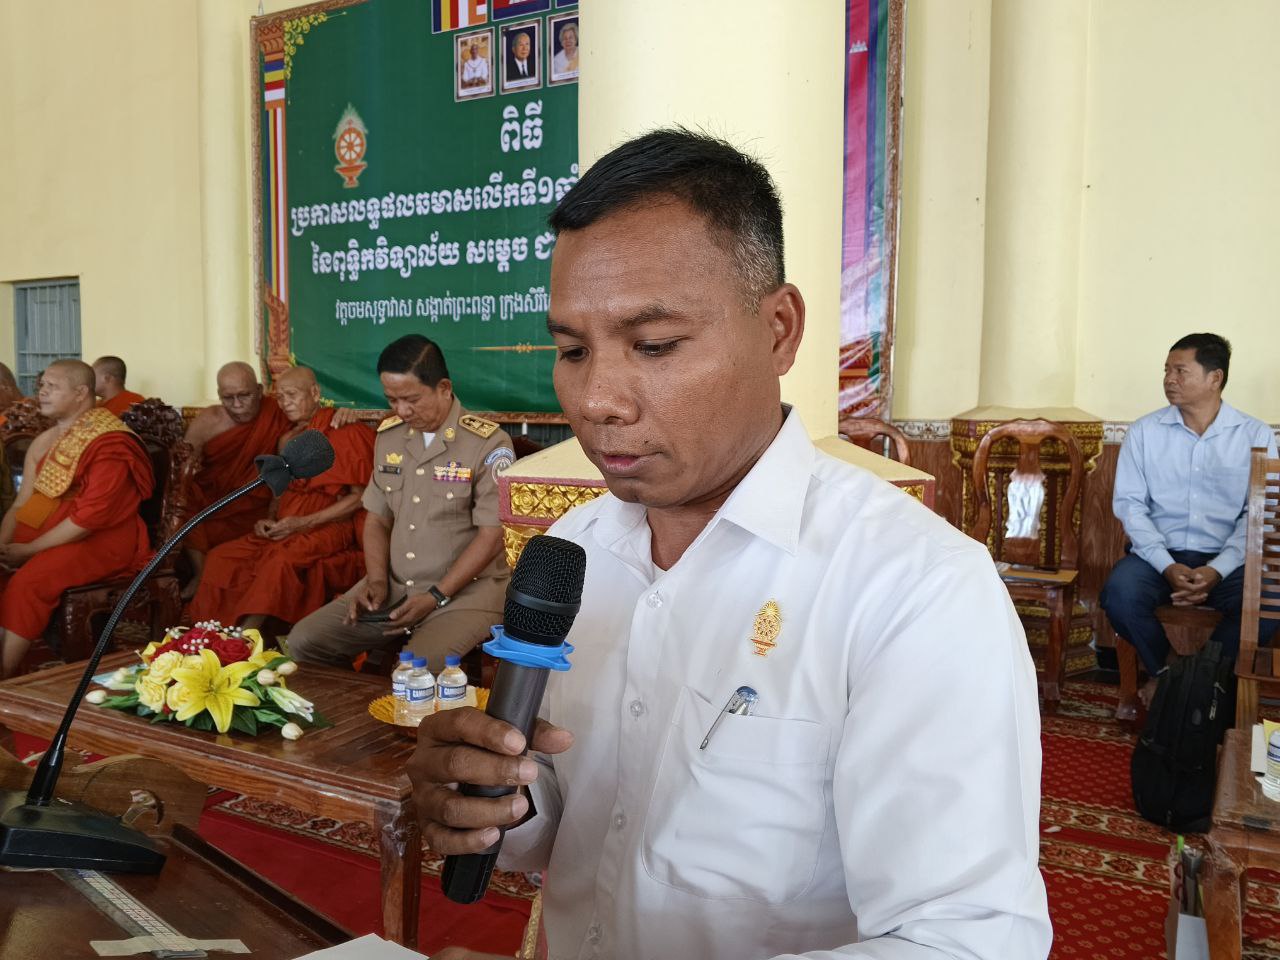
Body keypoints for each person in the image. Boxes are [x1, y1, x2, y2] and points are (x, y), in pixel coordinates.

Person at [408, 130, 1051, 960]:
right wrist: (501, 798)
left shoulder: (914, 589)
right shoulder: (574, 553)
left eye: (654, 345)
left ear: (779, 330)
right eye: (572, 351)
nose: (596, 400)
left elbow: (965, 942)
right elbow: (578, 816)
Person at [288, 335, 511, 674]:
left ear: (444, 388)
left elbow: (492, 535)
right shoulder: (389, 436)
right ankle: (358, 703)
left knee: (412, 675)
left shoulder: (487, 443)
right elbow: (376, 519)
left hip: (465, 594)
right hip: (394, 589)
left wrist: (436, 595)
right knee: (304, 642)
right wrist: (377, 580)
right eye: (392, 400)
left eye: (411, 399)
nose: (402, 411)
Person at [1101, 332, 1279, 705]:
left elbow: (1258, 513)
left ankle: (1198, 680)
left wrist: (1218, 569)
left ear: (1215, 378)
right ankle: (1172, 672)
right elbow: (1130, 506)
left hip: (1229, 559)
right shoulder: (1145, 431)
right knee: (1119, 594)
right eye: (1166, 370)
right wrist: (1166, 565)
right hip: (1157, 557)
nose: (1169, 379)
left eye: (1180, 371)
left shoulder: (1255, 434)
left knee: (1271, 601)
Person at [184, 366, 374, 631]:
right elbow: (280, 489)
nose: (285, 403)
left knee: (279, 562)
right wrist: (269, 519)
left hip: (328, 526)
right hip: (286, 525)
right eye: (281, 397)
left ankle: (246, 638)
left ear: (315, 393)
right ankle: (207, 632)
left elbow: (359, 498)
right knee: (222, 557)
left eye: (292, 395)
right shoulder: (286, 439)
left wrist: (304, 523)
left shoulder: (345, 431)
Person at [0, 360, 153, 677]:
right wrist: (3, 545)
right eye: (42, 386)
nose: (42, 393)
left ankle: (6, 673)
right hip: (47, 532)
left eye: (52, 387)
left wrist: (29, 551)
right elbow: (21, 504)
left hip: (101, 540)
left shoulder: (109, 442)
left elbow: (90, 519)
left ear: (81, 392)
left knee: (31, 581)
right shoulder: (44, 440)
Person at [180, 361, 293, 598]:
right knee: (184, 498)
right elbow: (183, 467)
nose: (237, 405)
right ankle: (201, 574)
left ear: (259, 391)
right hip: (214, 499)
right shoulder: (208, 421)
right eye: (228, 398)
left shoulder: (278, 413)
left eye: (244, 395)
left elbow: (311, 422)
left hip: (255, 503)